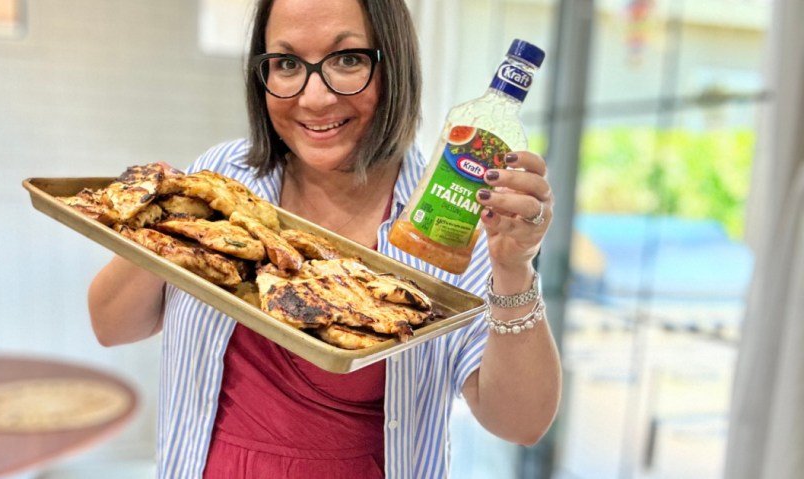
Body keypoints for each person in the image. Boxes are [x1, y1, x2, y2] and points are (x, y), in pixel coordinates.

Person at [88, 0, 562, 477]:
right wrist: (167, 213)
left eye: (348, 59)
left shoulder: (448, 227)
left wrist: (514, 267)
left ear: (394, 65)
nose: (315, 99)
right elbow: (113, 325)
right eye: (288, 64)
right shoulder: (223, 179)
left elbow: (519, 423)